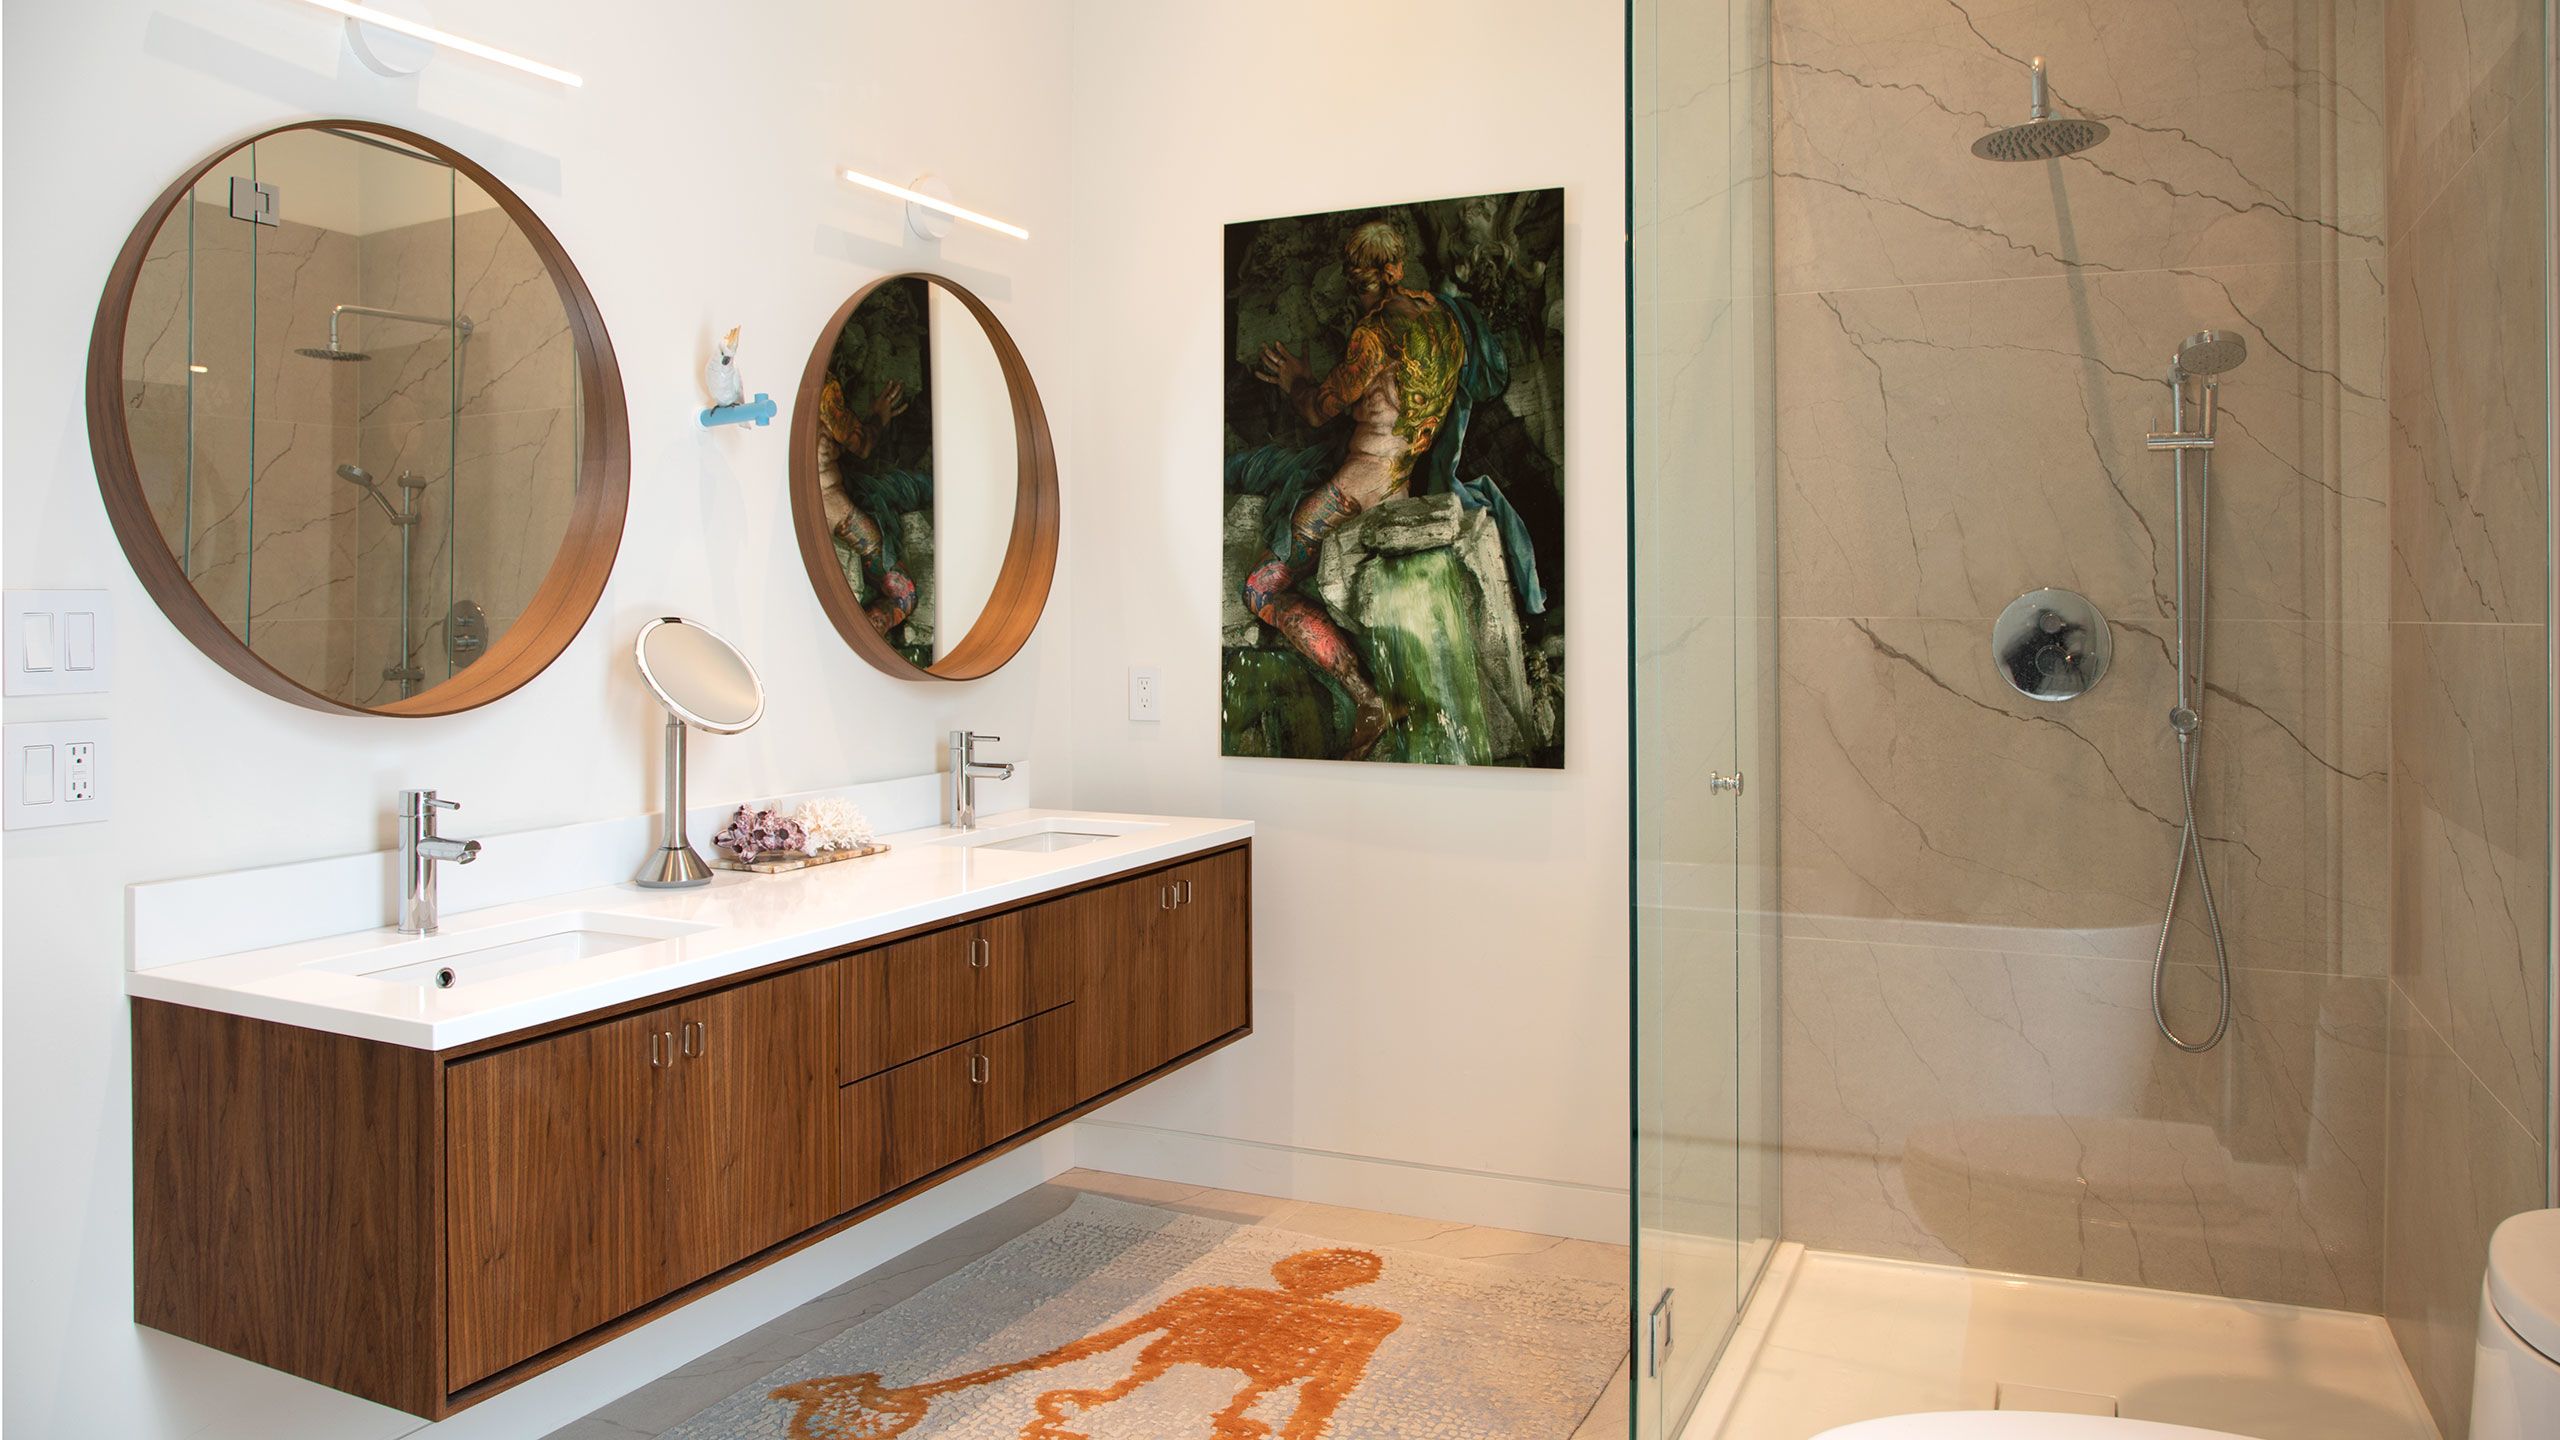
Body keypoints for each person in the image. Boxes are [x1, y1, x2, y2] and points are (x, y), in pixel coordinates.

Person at [770, 1247, 1403, 1440]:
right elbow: (1096, 1346)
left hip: (1214, 1406)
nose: (1318, 1276)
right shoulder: (1206, 1298)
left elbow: (1327, 1389)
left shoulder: (1363, 1323)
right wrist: (943, 1386)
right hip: (1147, 1390)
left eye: (1342, 1273)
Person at [1240, 221, 1465, 760]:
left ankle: (1368, 700)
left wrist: (1296, 378)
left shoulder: (1373, 336)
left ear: (1357, 275)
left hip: (1360, 485)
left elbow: (1321, 410)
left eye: (1355, 283)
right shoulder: (1441, 319)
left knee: (1260, 589)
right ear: (1399, 265)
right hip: (1401, 478)